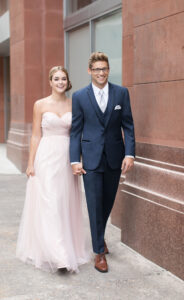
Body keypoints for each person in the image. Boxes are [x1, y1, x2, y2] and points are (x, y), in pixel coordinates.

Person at [16, 66, 90, 273]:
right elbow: (35, 135)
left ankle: (64, 247)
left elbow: (79, 133)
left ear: (68, 82)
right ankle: (58, 255)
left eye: (63, 79)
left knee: (63, 202)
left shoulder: (75, 104)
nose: (60, 82)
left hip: (67, 157)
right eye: (56, 79)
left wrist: (80, 159)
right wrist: (31, 163)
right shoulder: (39, 104)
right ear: (50, 82)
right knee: (49, 202)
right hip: (46, 157)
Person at [70, 52, 135, 273]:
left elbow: (128, 125)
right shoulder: (79, 96)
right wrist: (74, 160)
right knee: (94, 204)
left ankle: (99, 236)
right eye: (97, 69)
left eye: (104, 68)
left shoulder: (121, 93)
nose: (101, 73)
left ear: (108, 70)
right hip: (90, 159)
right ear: (90, 71)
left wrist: (130, 153)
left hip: (115, 157)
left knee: (107, 203)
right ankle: (98, 252)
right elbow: (75, 131)